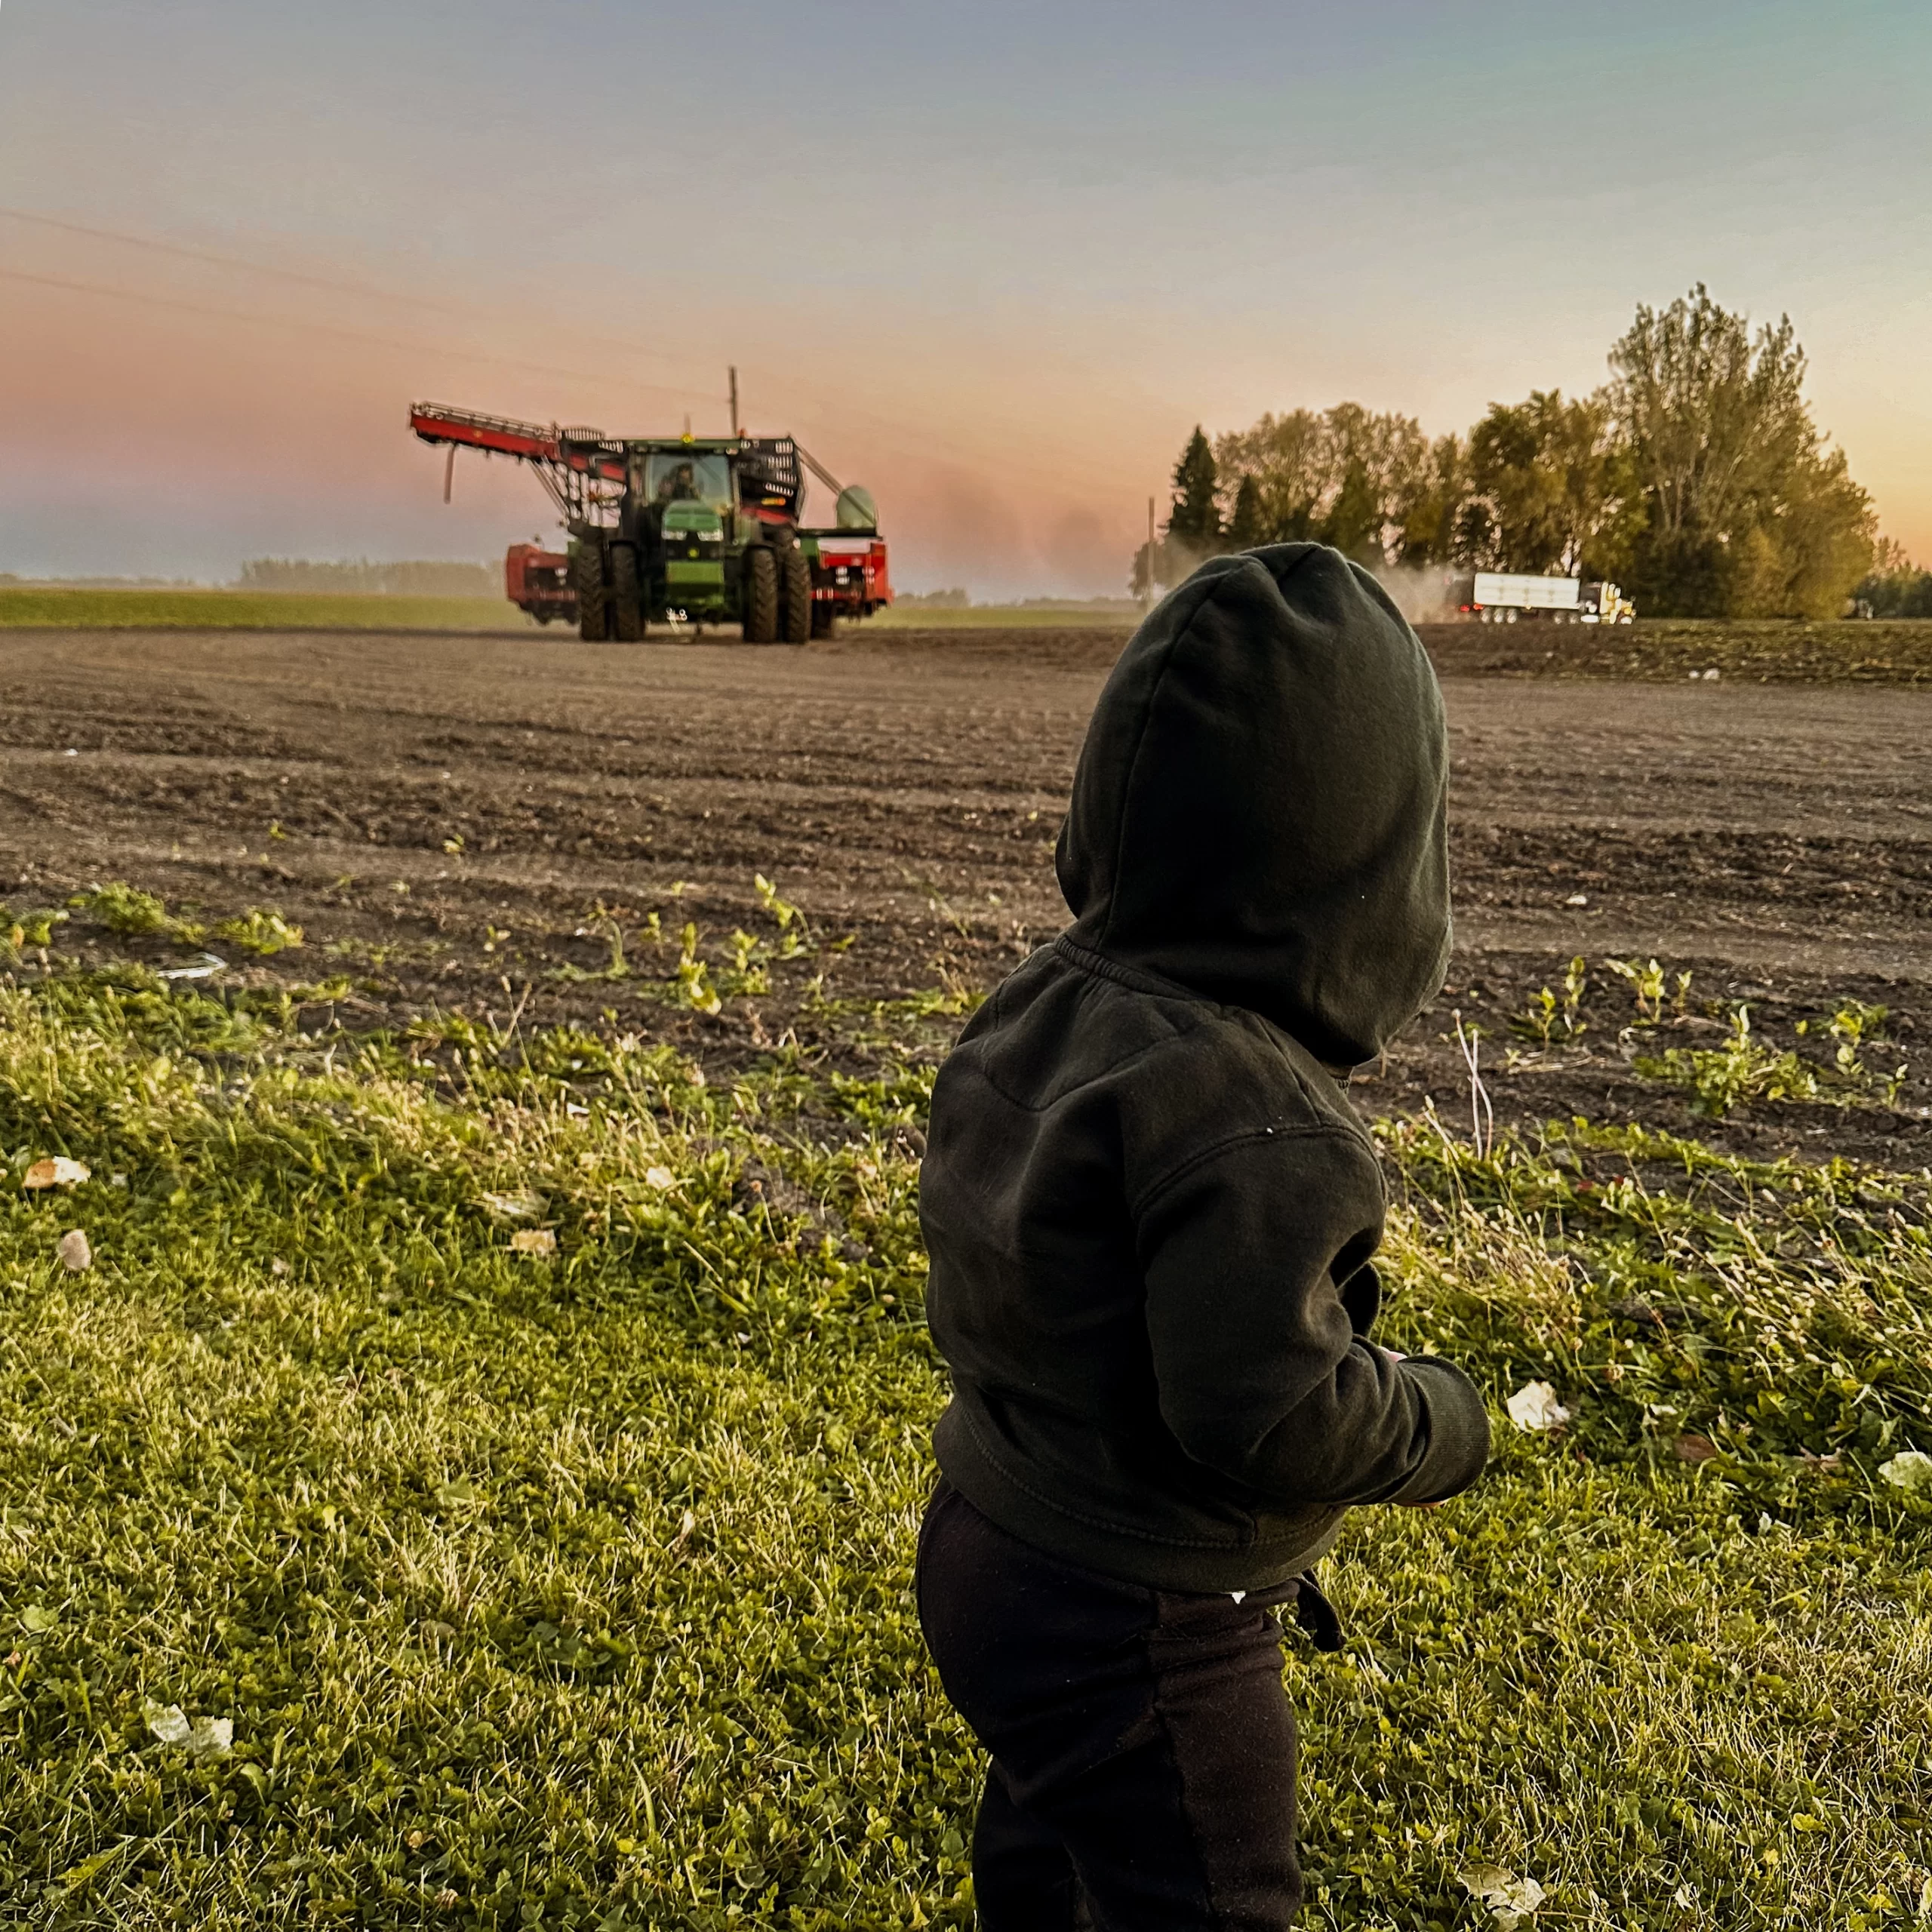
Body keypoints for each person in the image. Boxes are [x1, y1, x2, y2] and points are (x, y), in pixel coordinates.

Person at [916, 543, 1492, 1929]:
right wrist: (1433, 1418)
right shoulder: (1262, 1124)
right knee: (1206, 1895)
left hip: (987, 1538)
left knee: (1054, 1833)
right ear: (1370, 862)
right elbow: (1267, 1413)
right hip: (1147, 1619)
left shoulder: (1043, 1001)